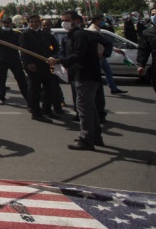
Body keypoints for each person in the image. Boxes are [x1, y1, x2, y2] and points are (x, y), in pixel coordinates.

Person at [47, 10, 112, 151]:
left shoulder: (82, 35)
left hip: (86, 75)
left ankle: (86, 139)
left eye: (67, 20)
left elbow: (79, 54)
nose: (64, 23)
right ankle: (95, 136)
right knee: (90, 107)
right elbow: (64, 53)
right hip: (77, 75)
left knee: (83, 108)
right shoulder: (68, 37)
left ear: (77, 21)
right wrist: (55, 58)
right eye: (62, 20)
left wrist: (104, 54)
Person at [19, 14, 58, 121]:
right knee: (35, 90)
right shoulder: (25, 35)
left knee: (49, 89)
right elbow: (23, 51)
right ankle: (36, 113)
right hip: (33, 66)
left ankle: (47, 110)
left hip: (46, 65)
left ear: (39, 23)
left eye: (36, 21)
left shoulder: (45, 34)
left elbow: (54, 48)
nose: (34, 24)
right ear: (29, 23)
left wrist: (52, 57)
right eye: (32, 22)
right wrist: (28, 63)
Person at [0, 17, 28, 106]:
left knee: (21, 79)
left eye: (8, 23)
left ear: (11, 24)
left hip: (14, 59)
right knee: (0, 80)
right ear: (2, 24)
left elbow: (22, 45)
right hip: (1, 59)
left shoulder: (16, 34)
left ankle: (28, 98)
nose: (6, 24)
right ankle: (1, 97)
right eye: (4, 23)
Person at [136, 6, 156, 95]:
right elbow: (143, 50)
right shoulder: (147, 33)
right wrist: (141, 65)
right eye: (153, 14)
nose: (155, 16)